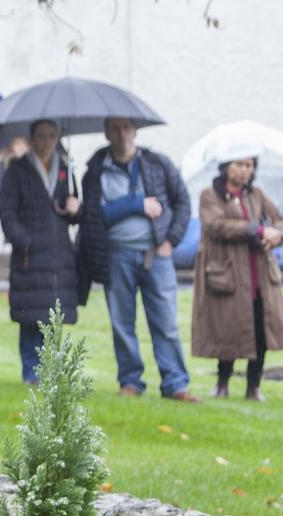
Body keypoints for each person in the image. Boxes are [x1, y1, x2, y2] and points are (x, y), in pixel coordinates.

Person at [79, 115, 196, 401]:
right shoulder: (95, 171)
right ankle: (130, 382)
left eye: (127, 128)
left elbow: (182, 202)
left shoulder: (158, 165)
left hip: (156, 255)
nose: (122, 134)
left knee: (166, 323)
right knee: (122, 323)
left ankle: (175, 384)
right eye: (115, 128)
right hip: (116, 254)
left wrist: (170, 241)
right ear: (107, 133)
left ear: (136, 131)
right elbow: (95, 216)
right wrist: (136, 204)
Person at [191, 156, 283, 401]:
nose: (245, 170)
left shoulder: (256, 195)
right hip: (227, 272)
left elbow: (278, 220)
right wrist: (256, 229)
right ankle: (222, 382)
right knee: (228, 326)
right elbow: (216, 225)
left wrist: (276, 234)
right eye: (239, 164)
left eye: (249, 165)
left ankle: (253, 386)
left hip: (258, 272)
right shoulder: (210, 195)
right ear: (226, 166)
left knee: (260, 328)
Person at [0, 118, 82, 384]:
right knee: (30, 314)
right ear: (33, 139)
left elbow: (76, 213)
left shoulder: (66, 170)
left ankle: (50, 370)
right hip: (29, 253)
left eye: (51, 136)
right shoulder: (18, 169)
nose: (46, 142)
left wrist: (75, 209)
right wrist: (22, 239)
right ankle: (30, 371)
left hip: (58, 253)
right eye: (42, 136)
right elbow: (6, 210)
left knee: (53, 314)